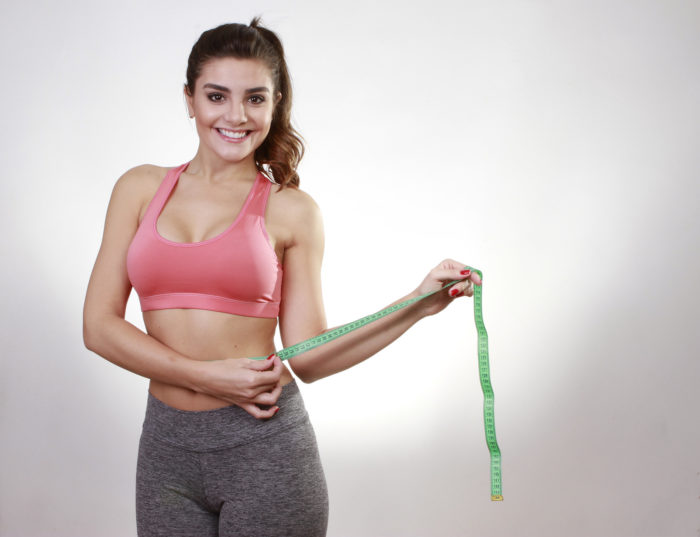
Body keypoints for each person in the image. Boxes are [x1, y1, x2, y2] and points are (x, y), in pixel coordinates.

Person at [82, 17, 481, 537]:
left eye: (254, 98)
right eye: (216, 96)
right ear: (189, 99)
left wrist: (417, 304)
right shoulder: (138, 189)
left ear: (274, 104)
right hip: (166, 451)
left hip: (264, 448)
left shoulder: (292, 211)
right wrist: (205, 376)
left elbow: (310, 356)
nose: (235, 115)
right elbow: (98, 327)